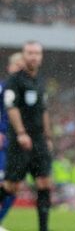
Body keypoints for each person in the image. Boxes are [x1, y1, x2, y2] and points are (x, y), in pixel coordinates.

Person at [0, 42, 52, 231]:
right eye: (30, 53)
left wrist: (48, 137)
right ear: (24, 55)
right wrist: (21, 133)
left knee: (44, 183)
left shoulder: (40, 81)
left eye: (37, 53)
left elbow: (44, 110)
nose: (34, 57)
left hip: (39, 140)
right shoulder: (14, 80)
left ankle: (43, 228)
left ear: (41, 56)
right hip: (20, 141)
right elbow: (11, 107)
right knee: (11, 186)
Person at [0, 52, 23, 231]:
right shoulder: (3, 88)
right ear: (10, 68)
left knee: (13, 187)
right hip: (3, 145)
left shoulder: (25, 90)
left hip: (15, 146)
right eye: (17, 66)